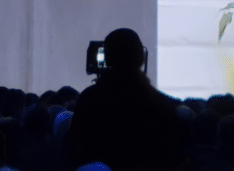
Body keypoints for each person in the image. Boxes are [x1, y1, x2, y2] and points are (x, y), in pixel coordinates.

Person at [65, 28, 184, 171]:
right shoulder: (165, 105)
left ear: (107, 58)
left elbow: (74, 153)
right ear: (141, 57)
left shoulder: (89, 100)